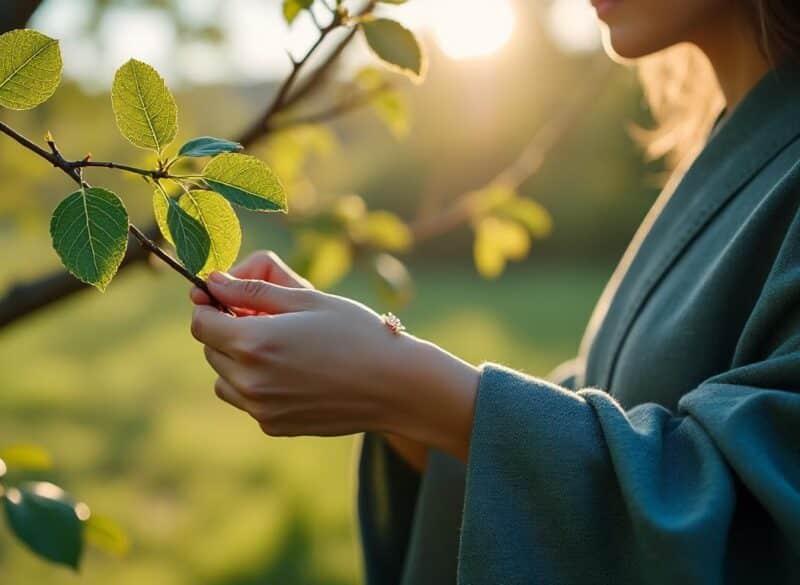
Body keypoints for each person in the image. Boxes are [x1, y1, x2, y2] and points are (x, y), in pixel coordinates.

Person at [188, 0, 800, 582]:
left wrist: (414, 387)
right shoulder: (728, 138)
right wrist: (396, 397)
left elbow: (765, 529)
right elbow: (612, 401)